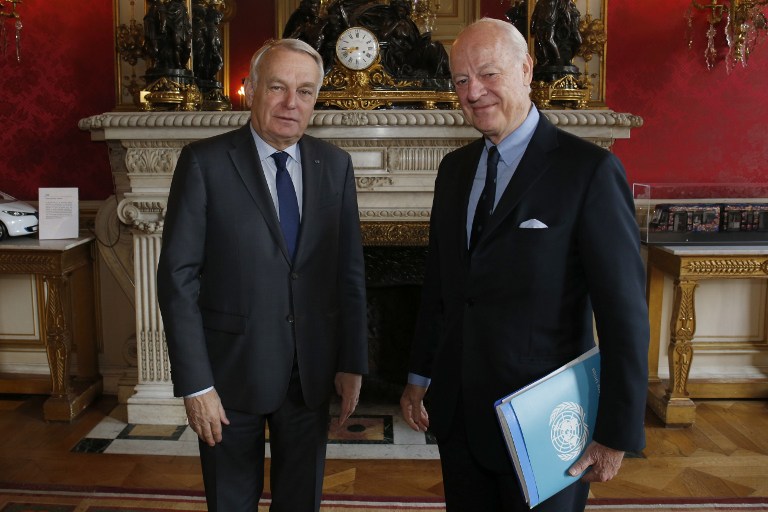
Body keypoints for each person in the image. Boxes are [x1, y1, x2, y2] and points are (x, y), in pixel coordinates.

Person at [399, 18, 649, 512]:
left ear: (526, 69)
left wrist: (616, 431)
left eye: (488, 74)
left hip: (547, 421)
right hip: (460, 417)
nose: (474, 92)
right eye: (461, 79)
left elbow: (624, 315)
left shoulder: (589, 171)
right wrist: (418, 375)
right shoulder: (454, 171)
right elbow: (441, 289)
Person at [157, 38, 368, 512]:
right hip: (229, 377)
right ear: (250, 90)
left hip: (309, 377)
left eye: (305, 91)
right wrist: (196, 384)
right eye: (277, 87)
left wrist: (352, 362)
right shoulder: (204, 163)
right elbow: (177, 280)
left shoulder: (335, 165)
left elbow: (349, 273)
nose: (292, 102)